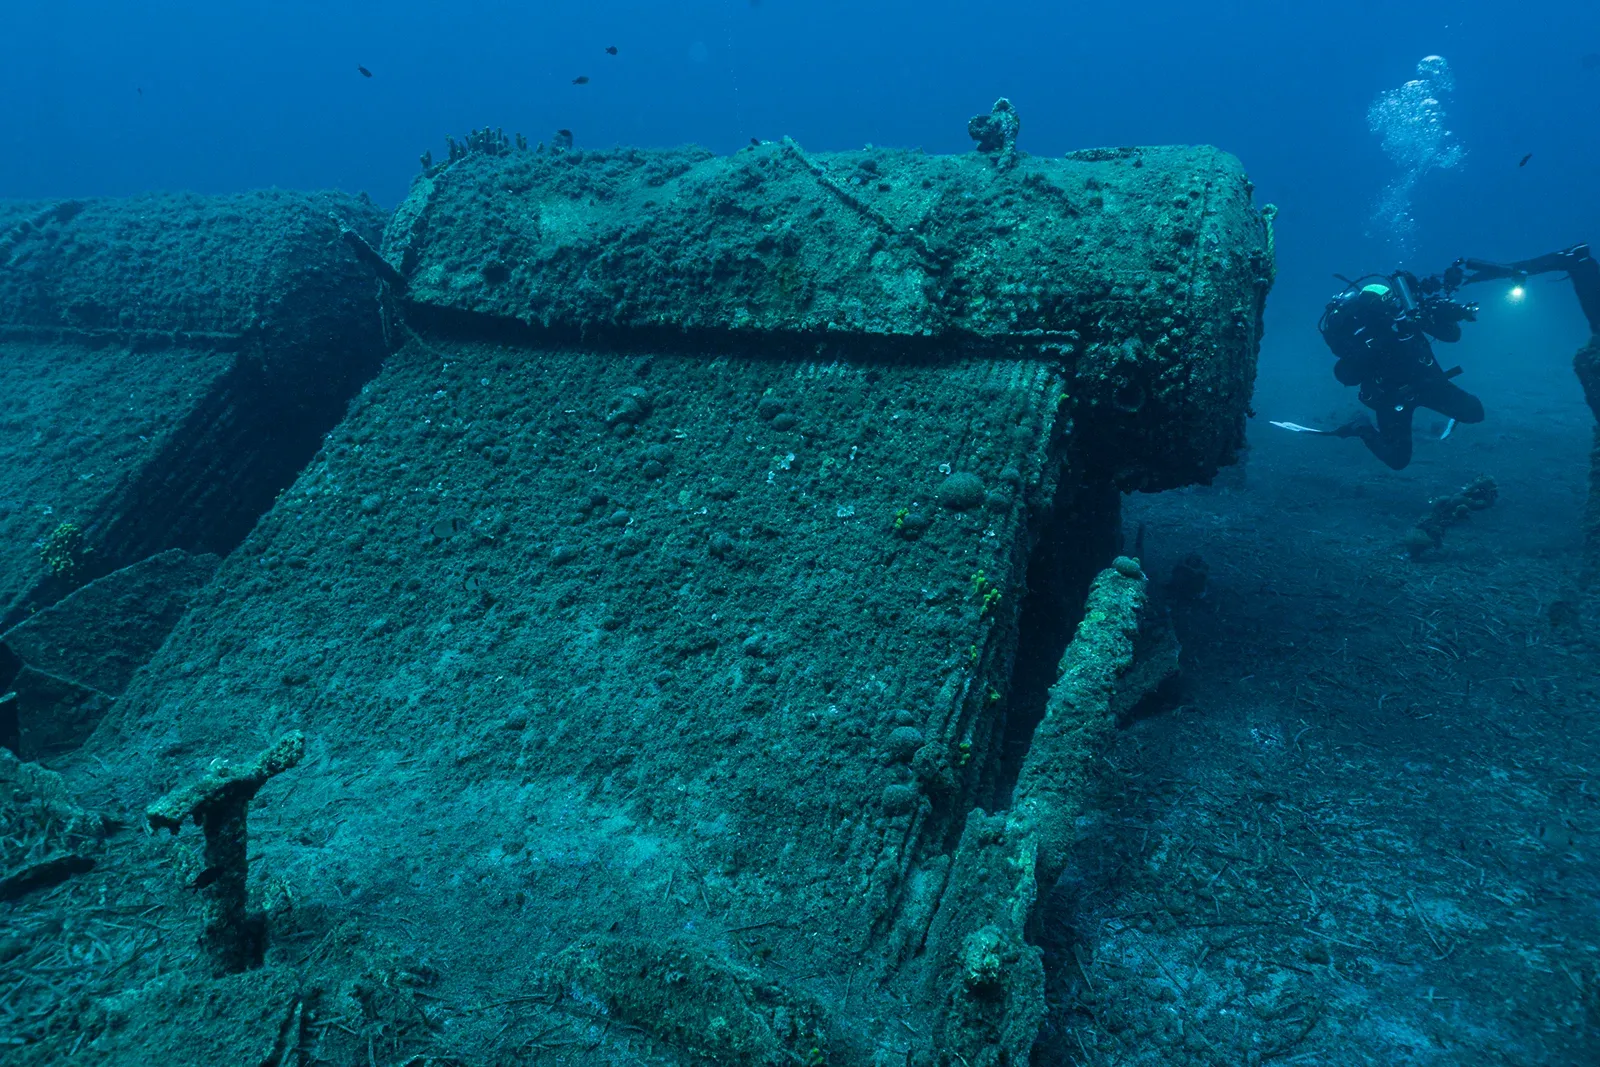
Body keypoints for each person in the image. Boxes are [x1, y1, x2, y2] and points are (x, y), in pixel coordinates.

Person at [1317, 268, 1484, 469]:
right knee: (1397, 459)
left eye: (1394, 303)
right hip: (1393, 396)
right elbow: (1347, 372)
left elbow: (1452, 335)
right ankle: (1361, 427)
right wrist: (1385, 339)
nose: (1394, 309)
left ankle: (1448, 413)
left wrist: (1439, 315)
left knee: (1475, 412)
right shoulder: (1368, 336)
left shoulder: (1411, 314)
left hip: (1428, 383)